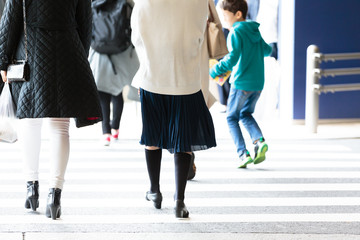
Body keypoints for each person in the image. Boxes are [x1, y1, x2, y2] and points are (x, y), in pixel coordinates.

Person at [0, 0, 102, 219]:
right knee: (60, 127)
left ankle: (31, 188)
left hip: (31, 54)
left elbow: (10, 21)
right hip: (67, 52)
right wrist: (79, 57)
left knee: (29, 121)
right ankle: (54, 196)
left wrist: (2, 60)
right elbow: (86, 24)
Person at [131, 0, 217, 218]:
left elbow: (136, 37)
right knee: (183, 139)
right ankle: (179, 201)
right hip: (186, 78)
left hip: (152, 77)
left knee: (152, 136)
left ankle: (154, 191)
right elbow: (200, 36)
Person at [210, 0, 271, 168]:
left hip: (241, 83)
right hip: (257, 84)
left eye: (224, 15)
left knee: (231, 117)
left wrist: (215, 70)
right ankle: (259, 141)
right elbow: (267, 50)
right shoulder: (254, 31)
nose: (223, 19)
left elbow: (232, 58)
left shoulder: (235, 33)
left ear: (238, 14)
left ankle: (243, 154)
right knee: (245, 114)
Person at [89, 0, 139, 146]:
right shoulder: (127, 2)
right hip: (122, 49)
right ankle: (115, 127)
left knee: (102, 91)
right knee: (117, 91)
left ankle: (106, 132)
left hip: (99, 50)